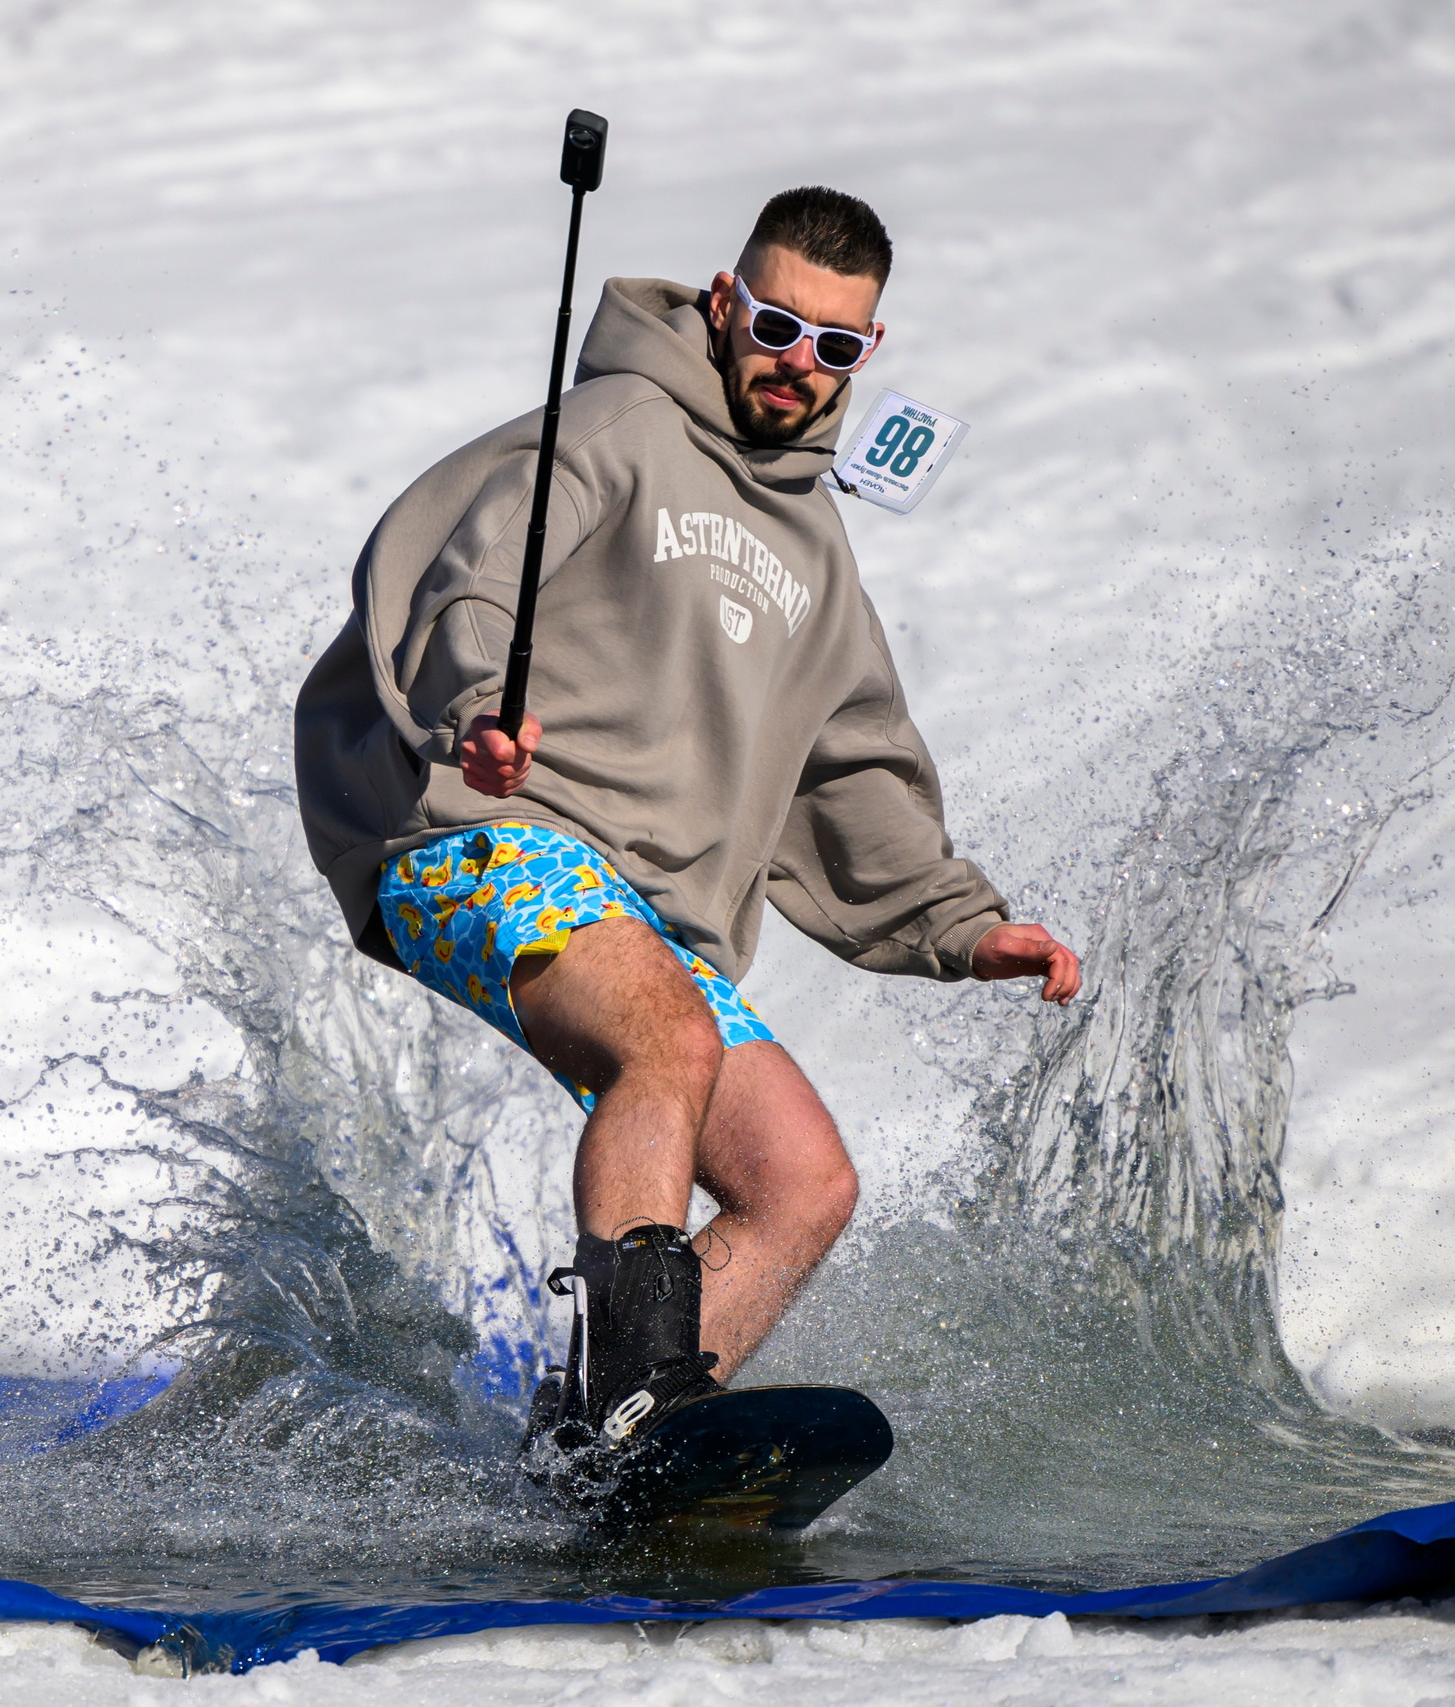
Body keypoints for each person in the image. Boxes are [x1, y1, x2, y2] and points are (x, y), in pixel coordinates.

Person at [294, 186, 1080, 1463]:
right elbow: (464, 585)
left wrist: (959, 926)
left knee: (803, 1184)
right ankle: (638, 1394)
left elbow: (849, 764)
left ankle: (600, 1458)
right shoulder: (615, 427)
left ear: (868, 354)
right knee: (660, 1041)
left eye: (835, 345)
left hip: (650, 914)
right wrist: (479, 711)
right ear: (726, 302)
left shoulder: (818, 549)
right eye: (777, 325)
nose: (797, 363)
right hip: (477, 833)